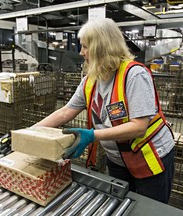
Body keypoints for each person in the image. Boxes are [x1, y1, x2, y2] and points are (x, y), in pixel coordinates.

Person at [33, 18, 175, 204]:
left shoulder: (134, 75)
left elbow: (139, 127)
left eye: (85, 47)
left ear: (102, 47)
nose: (81, 52)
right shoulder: (91, 79)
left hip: (150, 158)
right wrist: (29, 131)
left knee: (148, 208)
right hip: (117, 159)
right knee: (119, 204)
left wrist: (92, 135)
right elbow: (66, 111)